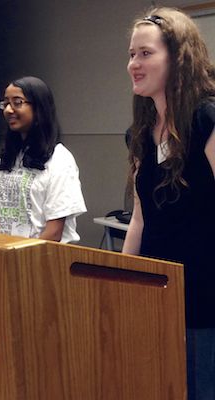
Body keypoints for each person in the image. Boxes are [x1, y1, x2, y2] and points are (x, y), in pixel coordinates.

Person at [122, 7, 215, 399]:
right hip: (157, 295)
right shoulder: (140, 135)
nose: (133, 64)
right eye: (131, 54)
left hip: (205, 299)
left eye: (145, 53)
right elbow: (140, 220)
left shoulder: (206, 120)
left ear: (177, 57)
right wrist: (122, 282)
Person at [0, 76, 86, 243]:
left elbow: (54, 233)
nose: (8, 110)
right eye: (6, 103)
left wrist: (19, 259)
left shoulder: (60, 159)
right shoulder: (8, 158)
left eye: (17, 102)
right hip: (7, 260)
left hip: (43, 261)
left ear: (39, 108)